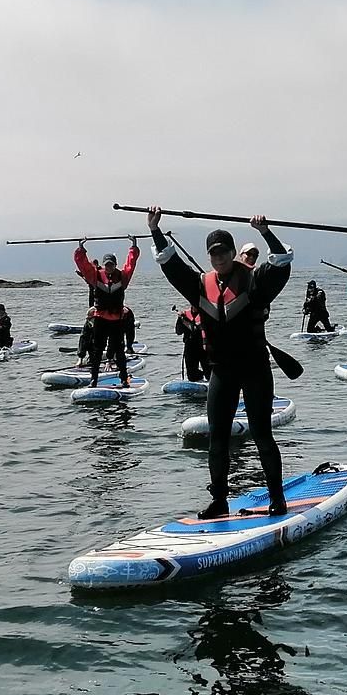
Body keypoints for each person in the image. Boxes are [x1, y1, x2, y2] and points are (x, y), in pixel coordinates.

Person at [148, 206, 293, 519]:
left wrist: (265, 232)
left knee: (261, 433)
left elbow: (281, 263)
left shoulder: (254, 282)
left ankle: (277, 498)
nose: (219, 258)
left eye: (224, 252)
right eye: (214, 254)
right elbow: (171, 265)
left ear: (231, 252)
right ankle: (219, 501)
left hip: (255, 368)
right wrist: (155, 229)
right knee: (218, 439)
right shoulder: (200, 284)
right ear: (210, 257)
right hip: (222, 372)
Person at [74, 239, 139, 386]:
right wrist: (80, 250)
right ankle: (94, 379)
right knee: (97, 351)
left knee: (119, 351)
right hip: (101, 319)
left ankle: (124, 379)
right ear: (104, 265)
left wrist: (133, 247)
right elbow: (83, 265)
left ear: (115, 265)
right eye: (107, 264)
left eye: (111, 264)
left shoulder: (122, 277)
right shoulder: (95, 275)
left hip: (116, 320)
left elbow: (131, 264)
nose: (109, 267)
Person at [174, 304, 210, 382]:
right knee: (192, 375)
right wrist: (180, 320)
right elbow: (178, 332)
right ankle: (199, 376)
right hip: (190, 346)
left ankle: (207, 378)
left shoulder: (206, 315)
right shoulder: (184, 315)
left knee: (209, 373)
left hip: (204, 347)